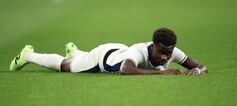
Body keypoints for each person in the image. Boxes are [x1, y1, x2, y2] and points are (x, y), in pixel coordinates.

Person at [9, 27, 208, 75]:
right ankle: (28, 55)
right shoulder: (139, 51)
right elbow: (126, 70)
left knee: (76, 58)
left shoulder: (171, 50)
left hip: (118, 49)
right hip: (101, 58)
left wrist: (197, 71)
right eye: (161, 53)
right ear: (153, 45)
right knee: (65, 66)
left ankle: (76, 51)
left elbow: (201, 66)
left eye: (169, 53)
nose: (166, 58)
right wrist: (162, 73)